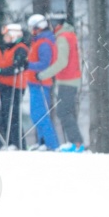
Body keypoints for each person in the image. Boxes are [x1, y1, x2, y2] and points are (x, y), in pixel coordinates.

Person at [37, 13, 85, 151]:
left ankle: (76, 144)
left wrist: (43, 75)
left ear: (57, 24)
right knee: (66, 111)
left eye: (51, 23)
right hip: (70, 79)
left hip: (68, 80)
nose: (50, 26)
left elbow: (62, 62)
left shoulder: (63, 38)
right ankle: (75, 143)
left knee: (63, 112)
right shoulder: (69, 35)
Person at [25, 14, 62, 151]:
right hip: (35, 82)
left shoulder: (44, 43)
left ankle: (52, 144)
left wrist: (28, 65)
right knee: (36, 115)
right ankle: (43, 143)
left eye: (32, 28)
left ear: (37, 27)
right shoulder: (38, 41)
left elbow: (45, 64)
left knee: (40, 115)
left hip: (40, 82)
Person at [0, 23, 29, 150]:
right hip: (5, 86)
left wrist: (0, 71)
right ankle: (11, 142)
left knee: (12, 115)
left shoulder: (20, 48)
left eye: (7, 36)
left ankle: (18, 143)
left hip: (14, 87)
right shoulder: (8, 50)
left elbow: (16, 67)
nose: (5, 39)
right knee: (6, 114)